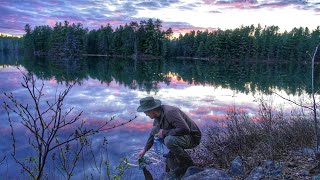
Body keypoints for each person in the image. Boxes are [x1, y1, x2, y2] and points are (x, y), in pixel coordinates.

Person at [137, 96, 201, 177]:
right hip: (182, 136)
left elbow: (185, 129)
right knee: (155, 130)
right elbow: (152, 135)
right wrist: (145, 149)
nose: (145, 114)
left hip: (192, 138)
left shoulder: (170, 112)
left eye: (145, 112)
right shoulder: (157, 116)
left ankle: (187, 163)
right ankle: (173, 152)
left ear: (151, 110)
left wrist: (164, 132)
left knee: (168, 140)